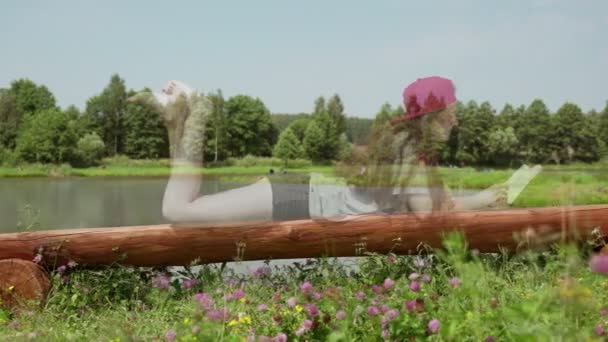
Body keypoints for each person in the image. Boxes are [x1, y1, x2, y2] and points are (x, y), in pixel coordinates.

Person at [129, 77, 508, 226]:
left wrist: (483, 197)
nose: (456, 123)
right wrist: (481, 201)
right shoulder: (411, 151)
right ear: (434, 116)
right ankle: (197, 112)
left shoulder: (406, 145)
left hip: (300, 192)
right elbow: (428, 211)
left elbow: (431, 201)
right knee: (178, 212)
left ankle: (178, 119)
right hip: (298, 199)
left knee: (182, 215)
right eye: (452, 115)